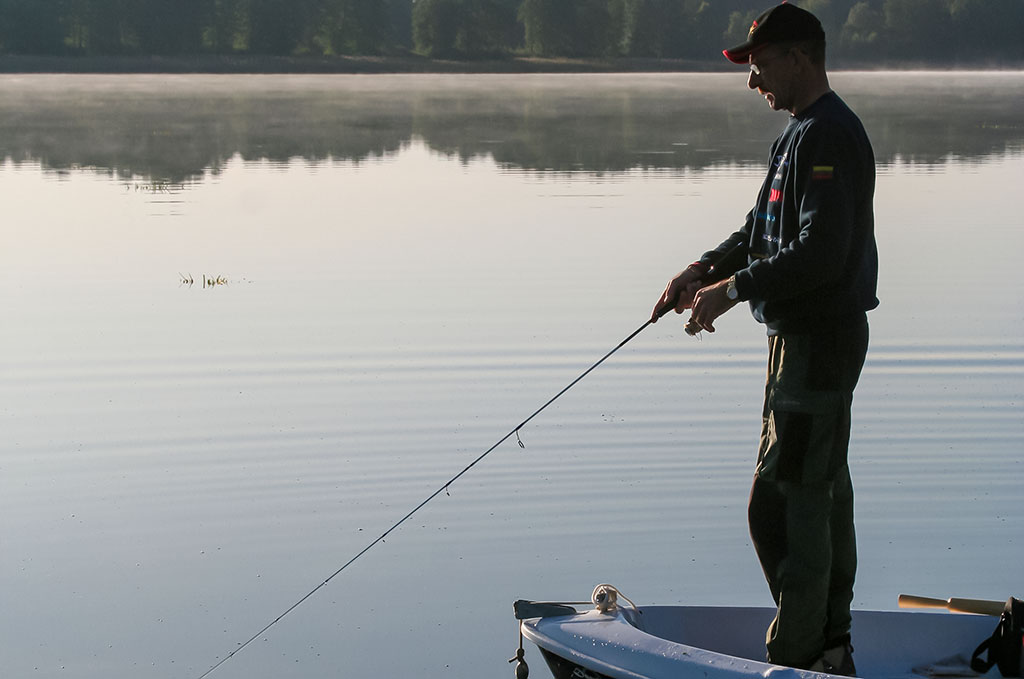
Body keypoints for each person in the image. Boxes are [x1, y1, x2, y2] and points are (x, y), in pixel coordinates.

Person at [650, 3, 878, 675]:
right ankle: (830, 647)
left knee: (786, 504)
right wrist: (700, 270)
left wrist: (732, 291)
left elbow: (823, 252)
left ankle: (801, 654)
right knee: (819, 491)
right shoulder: (798, 136)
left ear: (800, 58)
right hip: (800, 343)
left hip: (818, 341)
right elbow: (761, 229)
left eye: (759, 64)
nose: (752, 80)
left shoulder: (829, 135)